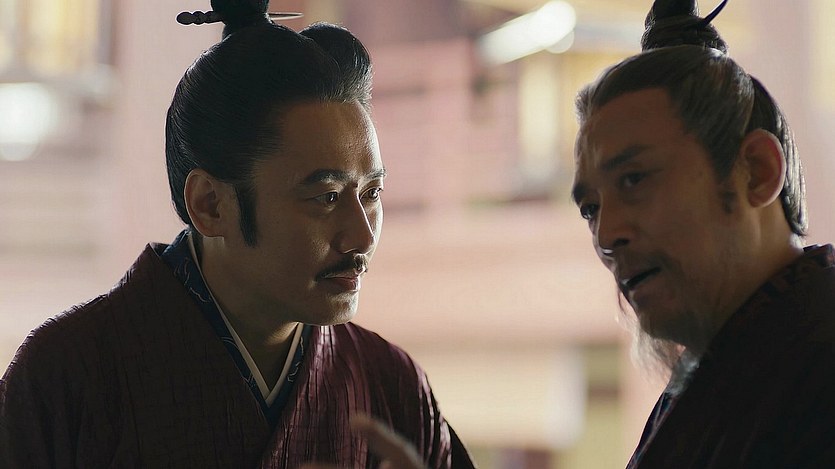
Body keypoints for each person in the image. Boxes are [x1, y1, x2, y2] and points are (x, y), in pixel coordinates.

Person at [0, 1, 475, 467]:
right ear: (210, 204)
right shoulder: (66, 377)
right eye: (326, 197)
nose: (362, 237)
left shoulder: (391, 387)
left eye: (372, 193)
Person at [570, 0, 835, 466]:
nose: (607, 235)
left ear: (756, 171)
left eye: (634, 179)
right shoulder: (718, 372)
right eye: (591, 208)